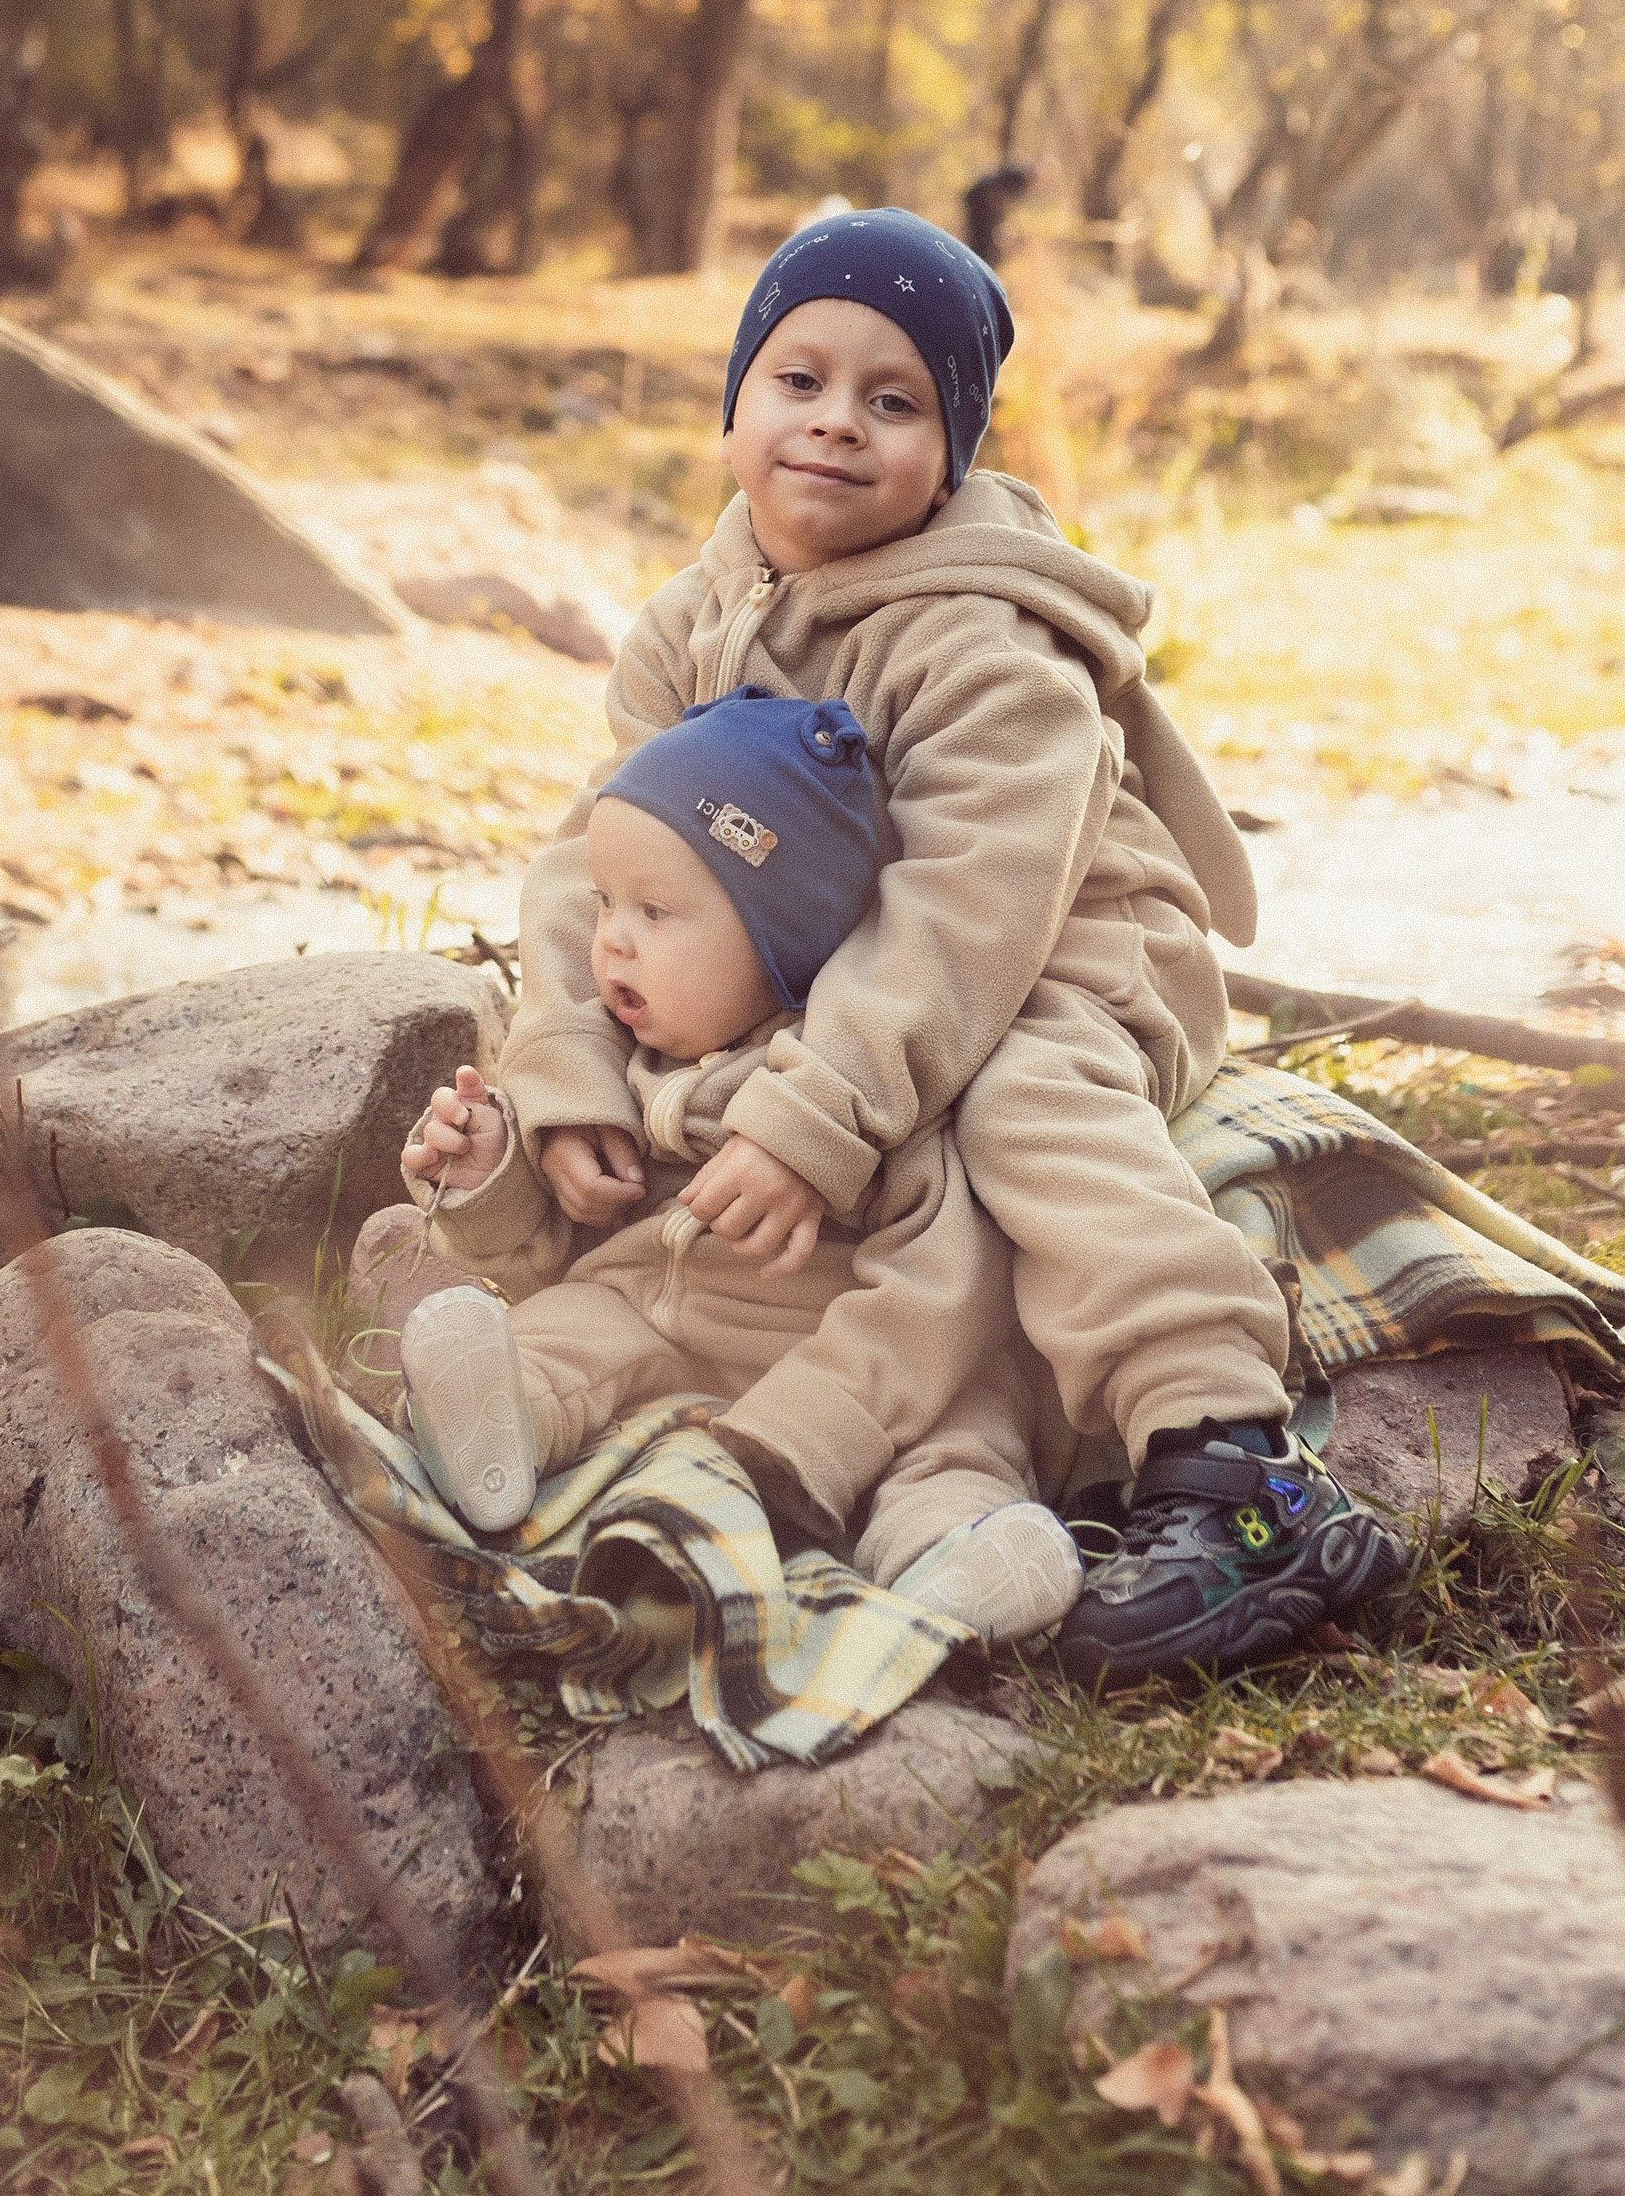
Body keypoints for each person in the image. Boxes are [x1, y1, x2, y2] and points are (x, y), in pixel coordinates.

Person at [466, 207, 1406, 1688]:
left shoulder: (988, 645)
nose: (839, 423)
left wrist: (816, 1110)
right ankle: (594, 1382)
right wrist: (569, 1054)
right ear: (733, 410)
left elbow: (971, 907)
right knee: (687, 1082)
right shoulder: (689, 622)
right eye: (800, 381)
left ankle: (1236, 1462)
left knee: (1011, 1101)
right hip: (838, 950)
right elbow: (602, 851)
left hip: (1062, 946)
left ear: (951, 449)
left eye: (894, 401)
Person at [396, 687, 1087, 1650]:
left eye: (656, 909)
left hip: (861, 1373)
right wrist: (489, 1176)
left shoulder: (855, 1098)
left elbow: (942, 1303)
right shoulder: (630, 1070)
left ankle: (955, 1551)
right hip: (658, 1319)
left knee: (959, 1437)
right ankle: (497, 1421)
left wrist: (804, 1431)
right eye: (602, 903)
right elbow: (547, 1249)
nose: (610, 941)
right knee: (565, 1330)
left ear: (786, 939)